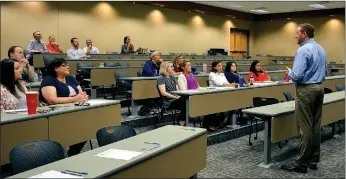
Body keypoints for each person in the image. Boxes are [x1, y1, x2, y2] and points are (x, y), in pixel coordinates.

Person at [281, 23, 326, 173]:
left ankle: (301, 163)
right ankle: (313, 160)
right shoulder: (321, 49)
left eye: (297, 33)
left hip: (306, 90)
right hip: (319, 88)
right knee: (315, 126)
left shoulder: (302, 50)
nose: (295, 36)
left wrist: (291, 72)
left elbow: (297, 75)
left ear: (304, 34)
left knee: (305, 127)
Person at [39, 58, 88, 157]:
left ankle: (73, 152)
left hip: (74, 111)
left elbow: (80, 93)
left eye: (67, 65)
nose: (67, 67)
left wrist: (83, 97)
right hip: (56, 115)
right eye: (64, 65)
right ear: (56, 68)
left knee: (87, 128)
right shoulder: (48, 80)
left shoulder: (71, 78)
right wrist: (75, 99)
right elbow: (52, 100)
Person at [157, 62, 186, 126]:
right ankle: (181, 120)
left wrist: (179, 96)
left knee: (187, 100)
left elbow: (178, 90)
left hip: (177, 99)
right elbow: (163, 93)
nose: (173, 68)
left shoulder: (172, 77)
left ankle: (182, 119)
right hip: (169, 102)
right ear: (166, 68)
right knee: (185, 102)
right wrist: (175, 97)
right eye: (171, 66)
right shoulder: (161, 78)